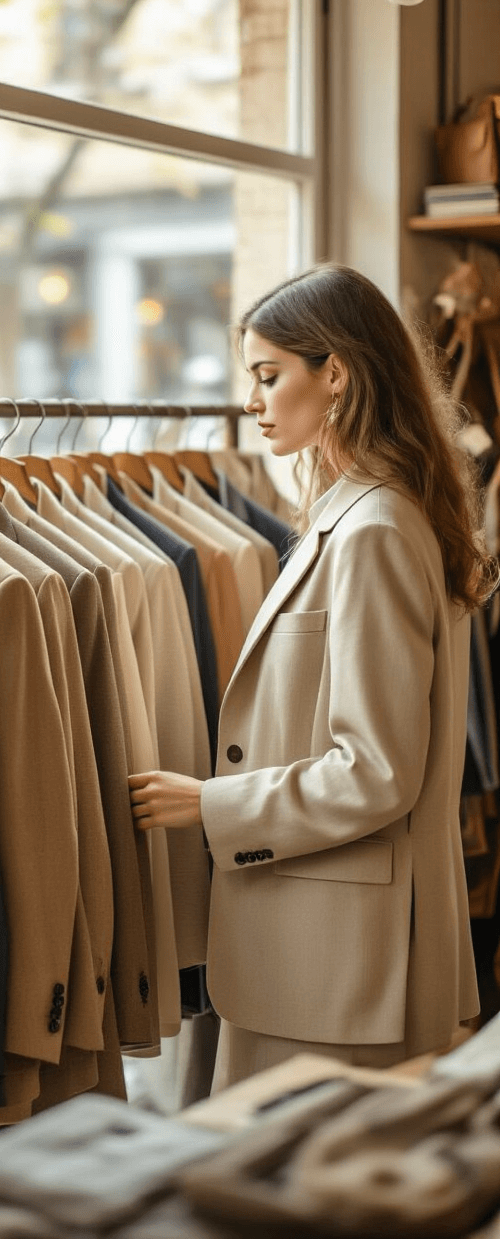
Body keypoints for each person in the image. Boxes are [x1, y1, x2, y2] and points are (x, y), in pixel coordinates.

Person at [129, 263, 497, 1090]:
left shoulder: (372, 530)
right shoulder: (359, 510)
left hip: (343, 965)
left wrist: (210, 803)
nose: (253, 402)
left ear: (336, 372)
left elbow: (377, 770)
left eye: (268, 377)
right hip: (324, 952)